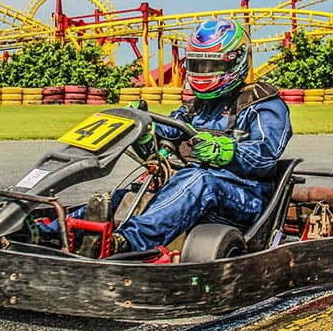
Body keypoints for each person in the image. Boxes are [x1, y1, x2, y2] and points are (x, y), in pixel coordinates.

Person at [112, 17, 292, 253]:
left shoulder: (263, 105)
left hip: (246, 197)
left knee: (200, 180)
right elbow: (165, 139)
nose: (202, 73)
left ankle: (127, 244)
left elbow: (265, 156)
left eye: (209, 66)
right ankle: (61, 229)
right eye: (197, 65)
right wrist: (144, 131)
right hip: (191, 187)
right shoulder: (194, 108)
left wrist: (226, 150)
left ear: (234, 62)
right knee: (126, 194)